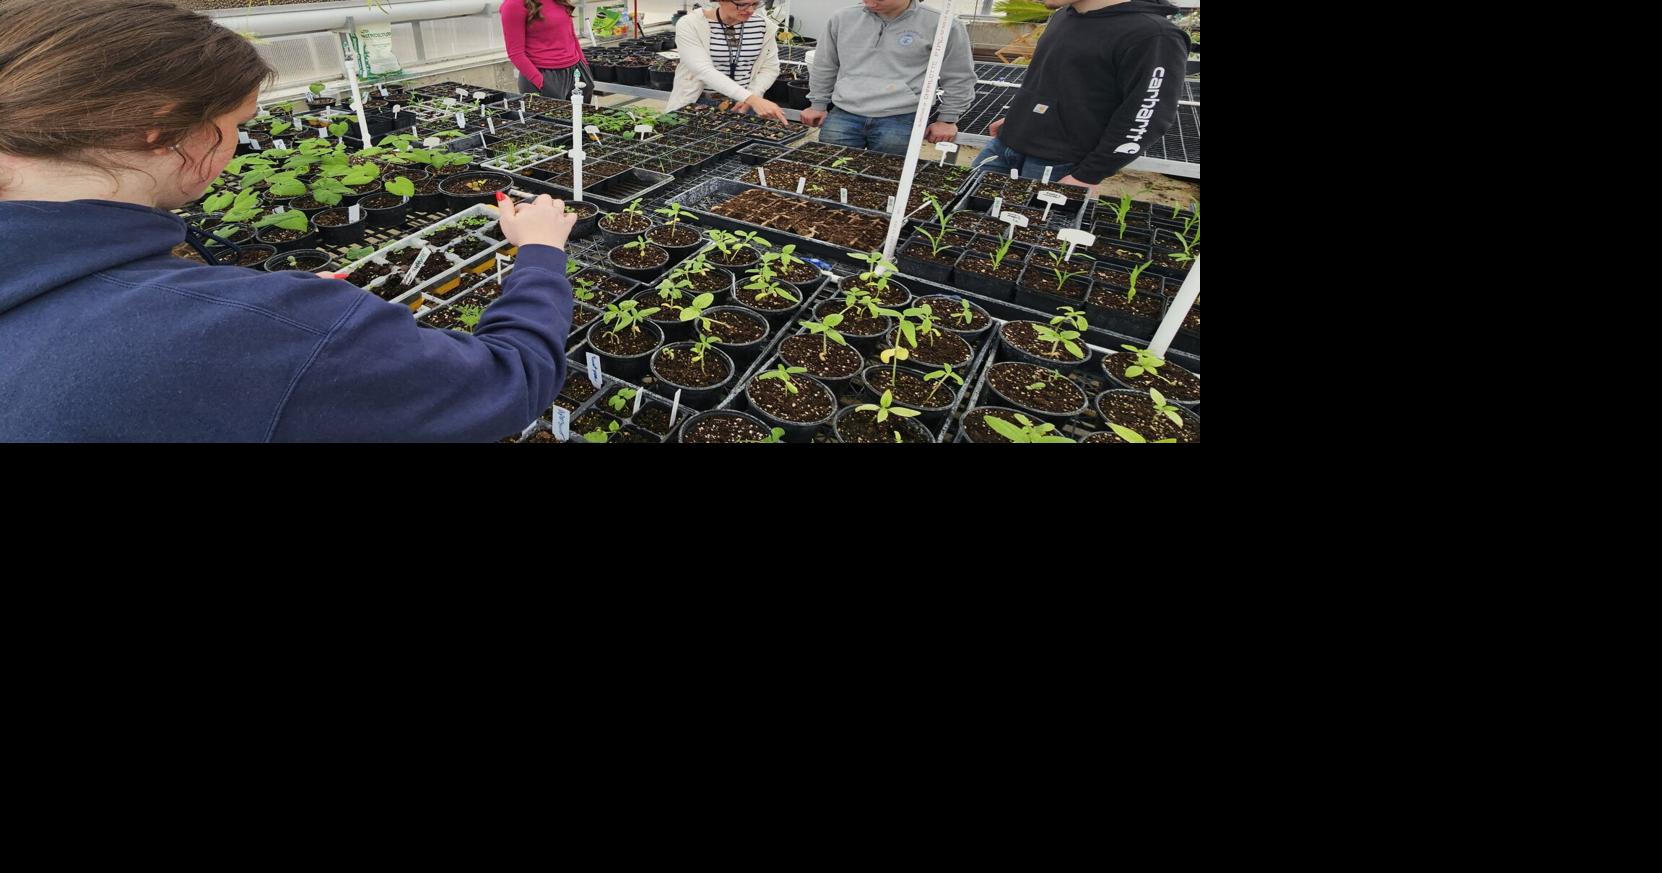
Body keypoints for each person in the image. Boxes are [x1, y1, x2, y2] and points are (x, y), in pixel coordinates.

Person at [1, 0, 580, 442]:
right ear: (162, 129)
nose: (235, 145)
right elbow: (508, 378)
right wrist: (541, 253)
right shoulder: (231, 330)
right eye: (238, 123)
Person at [980, 0, 1188, 194]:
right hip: (1005, 145)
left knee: (1029, 230)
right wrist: (1023, 118)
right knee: (959, 218)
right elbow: (1056, 81)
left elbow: (1148, 113)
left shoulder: (1154, 35)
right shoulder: (1064, 16)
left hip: (1060, 164)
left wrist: (1088, 175)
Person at [800, 0, 975, 154]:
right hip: (845, 112)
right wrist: (818, 104)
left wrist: (948, 119)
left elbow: (959, 75)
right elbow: (825, 64)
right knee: (831, 173)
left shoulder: (942, 24)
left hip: (900, 116)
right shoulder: (842, 18)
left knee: (888, 178)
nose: (869, 2)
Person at [664, 0, 788, 122]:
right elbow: (703, 70)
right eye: (742, 4)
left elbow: (770, 67)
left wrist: (753, 94)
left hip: (743, 106)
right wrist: (751, 98)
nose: (750, 10)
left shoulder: (763, 25)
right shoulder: (691, 24)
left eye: (755, 4)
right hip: (698, 102)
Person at [501, 0, 594, 100]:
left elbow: (571, 35)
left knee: (581, 115)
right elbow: (515, 53)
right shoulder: (513, 5)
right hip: (544, 74)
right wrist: (541, 83)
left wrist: (584, 67)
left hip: (576, 71)